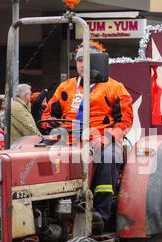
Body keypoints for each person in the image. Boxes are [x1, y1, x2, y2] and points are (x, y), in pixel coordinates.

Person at [42, 41, 133, 231]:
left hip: (101, 138)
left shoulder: (115, 88)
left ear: (98, 62)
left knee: (108, 155)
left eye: (88, 60)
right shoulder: (64, 88)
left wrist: (107, 137)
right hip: (69, 138)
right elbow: (48, 115)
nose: (83, 64)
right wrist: (53, 129)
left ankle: (100, 214)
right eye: (80, 60)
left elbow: (124, 121)